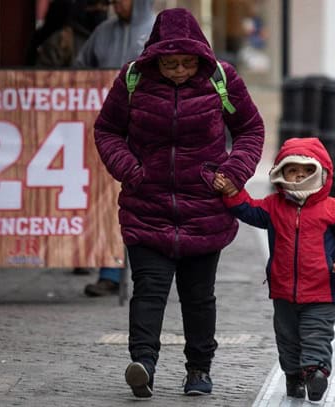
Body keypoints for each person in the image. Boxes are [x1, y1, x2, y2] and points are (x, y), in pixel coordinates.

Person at [93, 7, 264, 398]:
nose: (179, 71)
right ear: (156, 56)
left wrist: (233, 172)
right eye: (170, 64)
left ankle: (199, 370)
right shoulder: (133, 79)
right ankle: (143, 365)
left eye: (187, 64)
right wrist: (130, 170)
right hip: (146, 205)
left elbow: (250, 128)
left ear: (199, 57)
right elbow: (107, 130)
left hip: (204, 208)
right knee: (149, 290)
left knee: (198, 296)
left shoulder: (221, 79)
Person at [214, 137, 335, 402]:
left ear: (321, 173)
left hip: (323, 289)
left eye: (307, 171)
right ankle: (294, 376)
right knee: (287, 338)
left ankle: (316, 373)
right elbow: (249, 210)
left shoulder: (334, 210)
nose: (299, 176)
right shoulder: (274, 206)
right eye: (293, 170)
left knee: (317, 334)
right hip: (283, 289)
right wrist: (232, 194)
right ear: (281, 172)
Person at [76, 0, 156, 297]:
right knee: (107, 200)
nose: (116, 3)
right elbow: (79, 73)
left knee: (147, 203)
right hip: (109, 131)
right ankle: (110, 271)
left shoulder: (156, 30)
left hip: (149, 132)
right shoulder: (103, 32)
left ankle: (151, 270)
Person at [75, 0, 155, 68]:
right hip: (106, 86)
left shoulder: (159, 28)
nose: (116, 2)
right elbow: (80, 66)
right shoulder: (103, 30)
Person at [29, 0, 110, 67]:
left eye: (105, 4)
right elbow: (43, 77)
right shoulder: (63, 39)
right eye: (92, 3)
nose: (100, 8)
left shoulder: (112, 37)